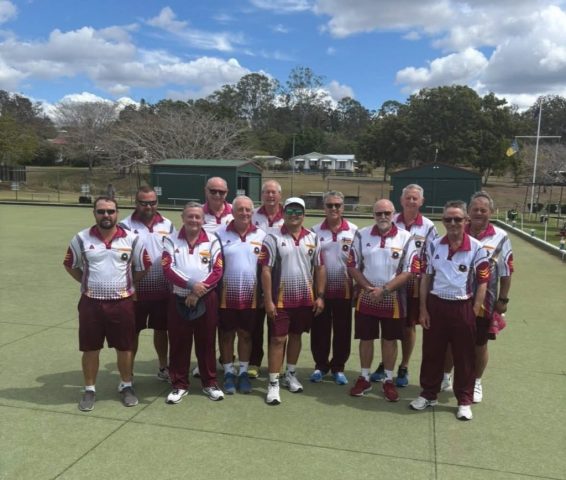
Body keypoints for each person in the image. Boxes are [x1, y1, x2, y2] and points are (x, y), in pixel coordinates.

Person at [64, 196, 151, 412]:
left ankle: (126, 385)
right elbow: (70, 264)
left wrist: (128, 284)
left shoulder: (132, 239)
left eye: (110, 211)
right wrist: (86, 281)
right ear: (94, 213)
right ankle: (89, 389)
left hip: (122, 303)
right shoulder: (81, 238)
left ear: (117, 213)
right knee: (90, 348)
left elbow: (143, 266)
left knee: (125, 347)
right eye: (101, 211)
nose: (106, 215)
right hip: (91, 303)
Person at [409, 200, 490, 421]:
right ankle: (428, 394)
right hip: (436, 305)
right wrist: (423, 309)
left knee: (464, 356)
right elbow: (426, 278)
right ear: (443, 221)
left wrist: (474, 311)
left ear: (466, 220)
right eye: (448, 219)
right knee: (432, 353)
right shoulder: (433, 245)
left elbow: (483, 282)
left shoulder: (477, 248)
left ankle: (464, 400)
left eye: (457, 219)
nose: (453, 223)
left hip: (462, 306)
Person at [441, 192, 513, 402]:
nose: (479, 213)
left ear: (491, 212)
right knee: (450, 341)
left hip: (485, 301)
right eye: (475, 209)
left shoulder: (501, 237)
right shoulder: (457, 229)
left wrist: (503, 299)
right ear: (468, 212)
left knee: (479, 344)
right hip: (455, 298)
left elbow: (506, 271)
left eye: (483, 210)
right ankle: (445, 377)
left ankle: (476, 382)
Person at [347, 199, 416, 402]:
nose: (383, 217)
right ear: (373, 215)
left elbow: (409, 270)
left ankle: (388, 380)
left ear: (394, 214)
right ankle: (364, 377)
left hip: (393, 299)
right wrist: (369, 288)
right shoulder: (362, 234)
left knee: (390, 340)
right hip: (366, 297)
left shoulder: (406, 237)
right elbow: (352, 265)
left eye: (387, 213)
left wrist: (385, 290)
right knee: (366, 339)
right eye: (379, 213)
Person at [259, 197, 326, 405]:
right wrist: (268, 300)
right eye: (289, 211)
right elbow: (266, 270)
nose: (294, 215)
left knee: (296, 336)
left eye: (298, 211)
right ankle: (273, 382)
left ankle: (290, 374)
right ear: (283, 213)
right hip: (279, 301)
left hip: (304, 300)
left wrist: (320, 296)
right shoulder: (272, 238)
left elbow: (319, 268)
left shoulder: (313, 238)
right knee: (278, 340)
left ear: (304, 214)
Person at [370, 184, 437, 387]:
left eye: (415, 198)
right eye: (408, 198)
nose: (411, 201)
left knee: (408, 327)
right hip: (390, 284)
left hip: (414, 285)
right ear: (401, 200)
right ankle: (385, 363)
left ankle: (404, 366)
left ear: (422, 201)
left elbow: (432, 258)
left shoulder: (428, 227)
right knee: (388, 326)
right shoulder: (390, 219)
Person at [162, 202, 225, 404]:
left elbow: (217, 270)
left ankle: (210, 383)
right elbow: (168, 269)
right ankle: (179, 385)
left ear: (203, 219)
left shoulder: (213, 241)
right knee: (179, 342)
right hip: (178, 298)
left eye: (198, 217)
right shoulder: (170, 240)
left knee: (206, 341)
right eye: (190, 216)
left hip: (206, 298)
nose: (194, 220)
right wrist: (191, 285)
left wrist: (197, 293)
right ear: (183, 218)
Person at [120, 186, 175, 382]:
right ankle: (128, 373)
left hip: (163, 290)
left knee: (162, 330)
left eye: (152, 202)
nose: (148, 207)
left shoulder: (168, 224)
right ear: (136, 203)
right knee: (132, 332)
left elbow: (174, 253)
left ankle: (163, 367)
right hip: (135, 291)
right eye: (144, 203)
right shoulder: (125, 225)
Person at [216, 195, 266, 394]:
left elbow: (265, 269)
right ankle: (229, 372)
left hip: (251, 297)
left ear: (252, 212)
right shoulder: (219, 234)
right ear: (232, 211)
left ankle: (243, 372)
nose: (244, 213)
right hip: (225, 296)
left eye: (248, 209)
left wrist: (264, 294)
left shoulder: (261, 235)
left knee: (246, 335)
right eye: (240, 209)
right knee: (226, 335)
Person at [309, 191, 358, 385]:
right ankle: (320, 366)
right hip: (320, 291)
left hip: (344, 289)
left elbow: (359, 262)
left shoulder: (354, 231)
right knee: (319, 329)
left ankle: (338, 367)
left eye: (337, 205)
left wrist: (358, 287)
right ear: (324, 208)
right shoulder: (314, 231)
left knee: (342, 330)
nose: (334, 208)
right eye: (329, 205)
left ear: (343, 207)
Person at [249, 179, 285, 378]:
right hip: (255, 274)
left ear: (280, 195)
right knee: (255, 324)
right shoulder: (252, 214)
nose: (270, 196)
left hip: (280, 276)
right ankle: (254, 362)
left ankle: (276, 365)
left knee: (277, 325)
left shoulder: (288, 215)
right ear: (262, 195)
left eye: (274, 192)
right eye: (267, 192)